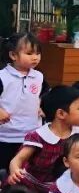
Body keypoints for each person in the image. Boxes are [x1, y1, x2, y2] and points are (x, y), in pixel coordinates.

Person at [7, 86, 79, 193]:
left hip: (66, 186)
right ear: (61, 114)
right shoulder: (39, 136)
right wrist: (15, 171)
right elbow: (18, 159)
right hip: (34, 187)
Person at [0, 33, 45, 174]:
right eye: (29, 53)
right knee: (4, 172)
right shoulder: (2, 76)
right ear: (13, 55)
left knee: (24, 173)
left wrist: (39, 106)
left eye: (38, 53)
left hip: (30, 135)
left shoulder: (38, 76)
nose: (35, 57)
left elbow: (40, 95)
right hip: (5, 136)